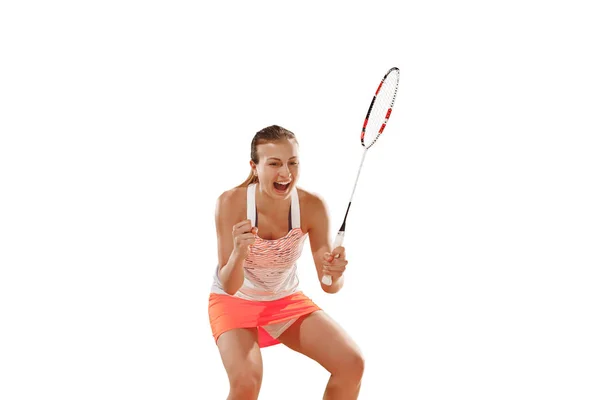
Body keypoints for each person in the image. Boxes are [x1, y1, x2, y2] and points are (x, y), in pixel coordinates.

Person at [208, 125, 364, 400]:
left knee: (351, 363)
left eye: (293, 162)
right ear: (254, 167)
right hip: (235, 300)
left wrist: (335, 273)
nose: (286, 173)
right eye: (275, 163)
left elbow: (329, 285)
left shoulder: (311, 206)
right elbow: (230, 285)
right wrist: (238, 253)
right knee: (247, 382)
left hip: (284, 299)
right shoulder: (231, 202)